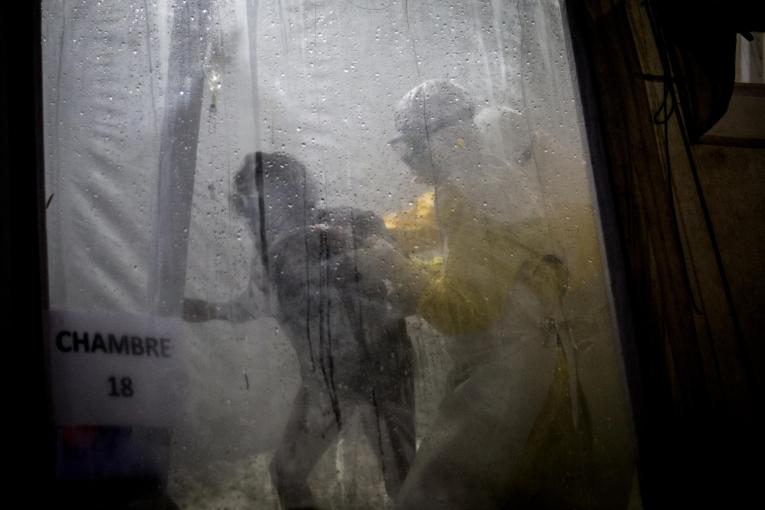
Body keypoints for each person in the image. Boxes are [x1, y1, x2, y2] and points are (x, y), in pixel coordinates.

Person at [356, 80, 596, 509]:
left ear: (441, 138)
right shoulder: (488, 176)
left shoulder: (466, 194)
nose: (409, 156)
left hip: (512, 376)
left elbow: (463, 311)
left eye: (411, 142)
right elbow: (486, 270)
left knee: (435, 496)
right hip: (544, 365)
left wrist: (393, 268)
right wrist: (386, 239)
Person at [183, 151, 416, 509]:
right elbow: (258, 303)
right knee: (285, 473)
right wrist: (208, 310)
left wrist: (353, 257)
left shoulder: (352, 223)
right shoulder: (270, 254)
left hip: (380, 373)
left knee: (403, 481)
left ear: (293, 194)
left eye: (256, 202)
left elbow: (396, 277)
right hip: (325, 380)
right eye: (246, 204)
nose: (249, 215)